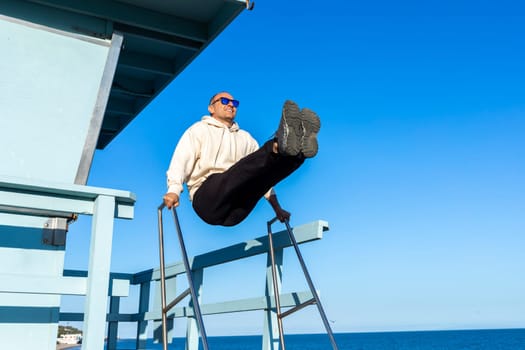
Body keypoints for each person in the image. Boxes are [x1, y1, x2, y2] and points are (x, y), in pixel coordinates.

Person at [163, 91, 320, 226]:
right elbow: (181, 159)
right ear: (211, 108)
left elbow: (262, 174)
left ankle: (298, 154)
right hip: (208, 200)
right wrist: (174, 190)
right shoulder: (198, 130)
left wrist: (277, 209)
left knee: (263, 172)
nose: (231, 105)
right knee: (239, 171)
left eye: (234, 103)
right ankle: (278, 143)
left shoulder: (246, 138)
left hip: (236, 213)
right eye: (224, 101)